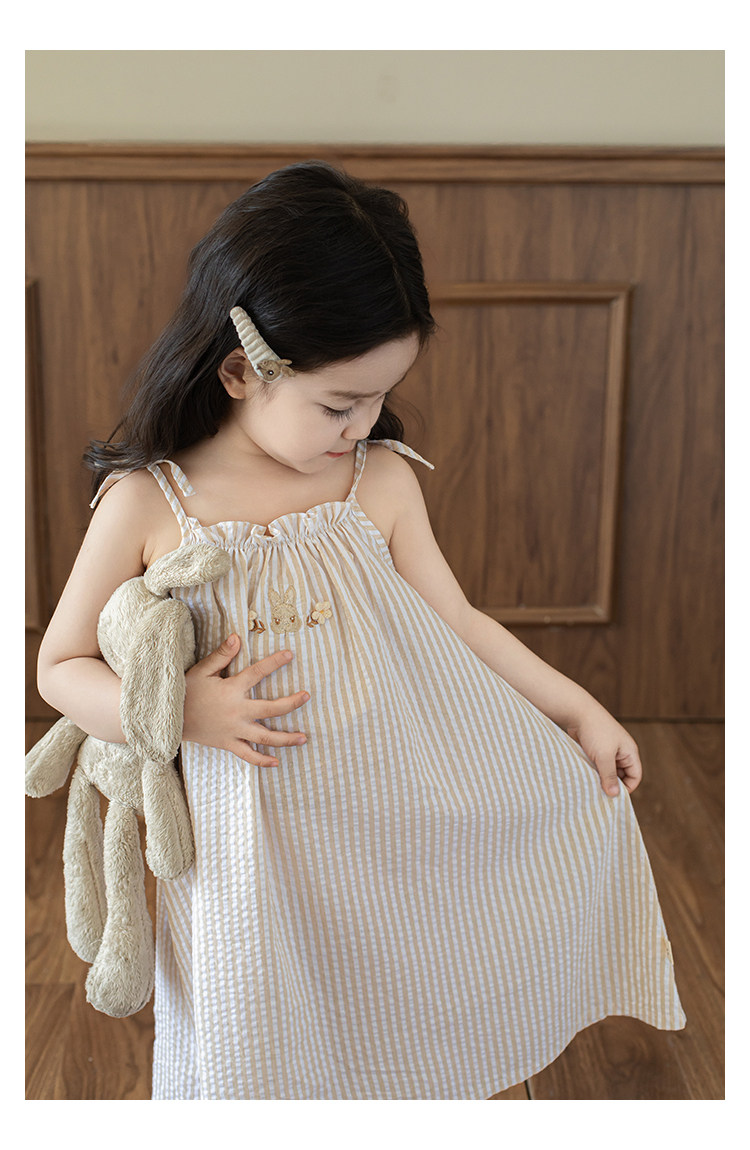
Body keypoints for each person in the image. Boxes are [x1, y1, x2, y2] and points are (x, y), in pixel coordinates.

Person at [37, 161, 685, 1100]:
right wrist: (179, 711)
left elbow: (456, 619)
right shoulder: (149, 501)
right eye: (338, 405)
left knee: (381, 997)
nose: (363, 424)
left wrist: (576, 707)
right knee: (250, 1023)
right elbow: (61, 667)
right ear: (239, 372)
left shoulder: (376, 480)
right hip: (244, 836)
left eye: (381, 396)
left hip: (380, 805)